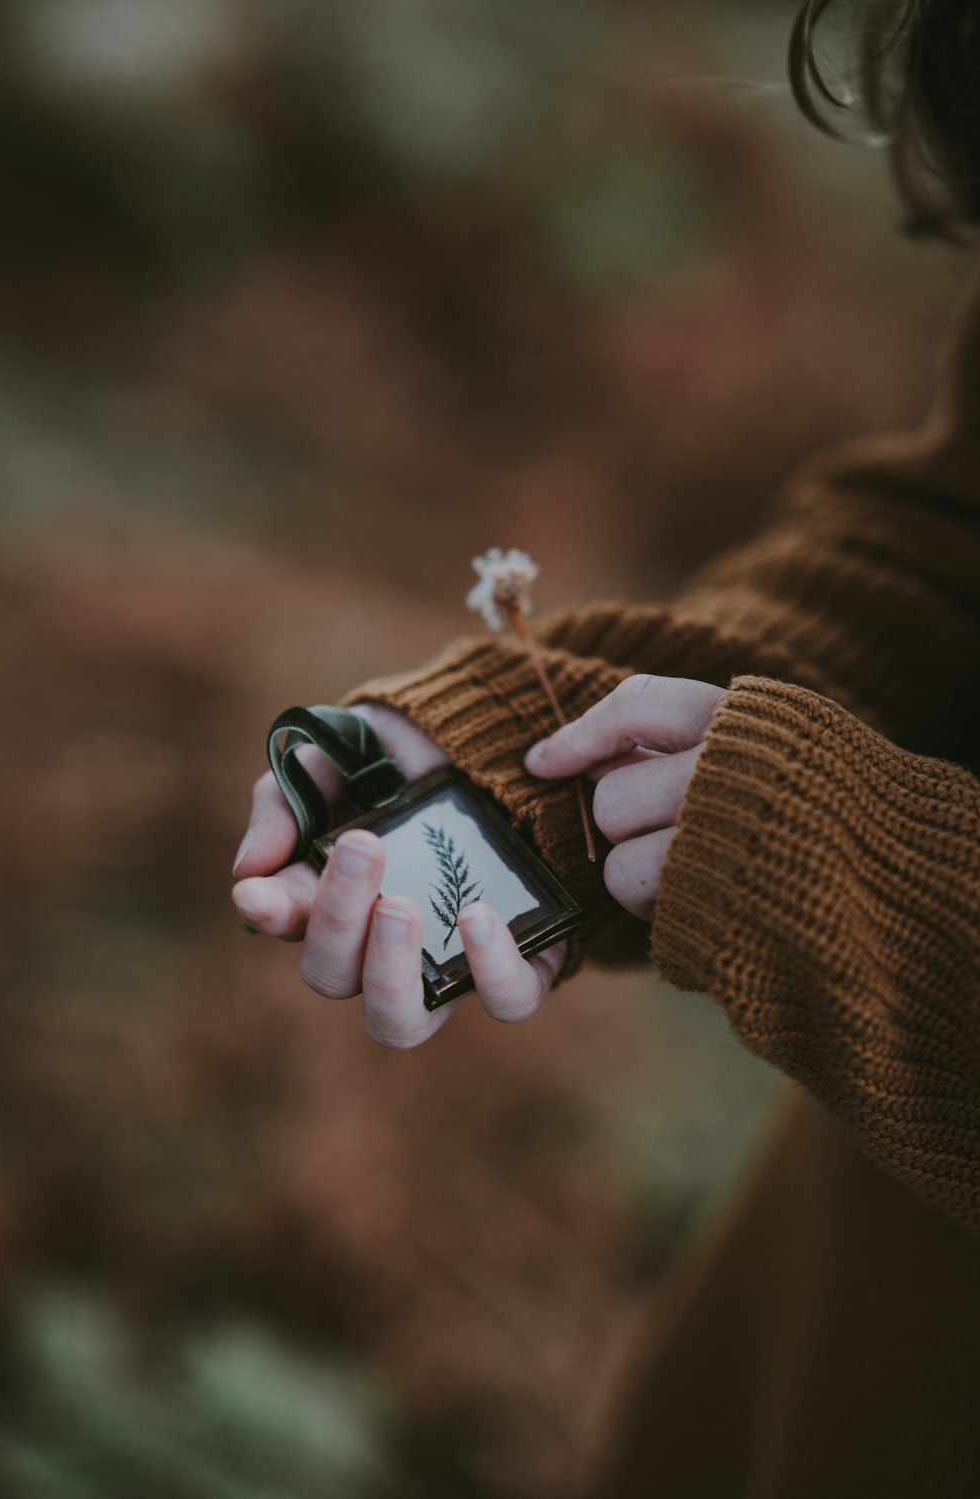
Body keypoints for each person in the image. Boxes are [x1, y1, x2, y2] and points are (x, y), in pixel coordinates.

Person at [233, 3, 980, 1493]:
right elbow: (957, 542)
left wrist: (875, 892)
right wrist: (551, 758)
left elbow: (850, 861)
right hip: (857, 1327)